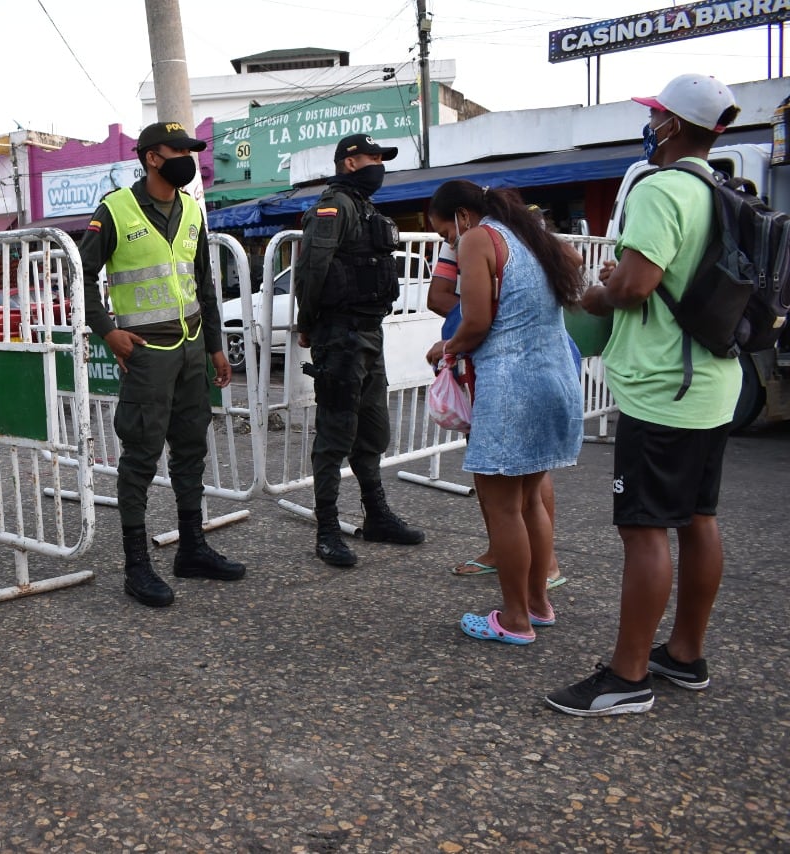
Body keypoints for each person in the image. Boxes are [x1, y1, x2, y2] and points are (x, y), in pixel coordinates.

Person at [547, 74, 743, 715]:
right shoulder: (721, 191)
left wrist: (597, 293)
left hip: (664, 388)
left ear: (673, 125)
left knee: (645, 528)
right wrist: (626, 276)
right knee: (698, 518)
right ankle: (684, 654)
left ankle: (627, 678)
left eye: (657, 115)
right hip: (712, 380)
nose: (651, 124)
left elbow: (633, 287)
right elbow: (665, 277)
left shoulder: (661, 188)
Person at [78, 121, 246, 608]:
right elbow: (80, 276)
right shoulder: (116, 209)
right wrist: (107, 331)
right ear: (152, 157)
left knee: (191, 450)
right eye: (179, 151)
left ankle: (192, 548)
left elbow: (202, 282)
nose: (188, 159)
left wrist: (215, 346)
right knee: (140, 457)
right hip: (147, 352)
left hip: (192, 347)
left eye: (192, 151)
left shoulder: (192, 208)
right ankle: (136, 566)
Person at [423, 180, 585, 645]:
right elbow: (574, 260)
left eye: (445, 233)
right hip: (557, 378)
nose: (450, 242)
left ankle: (514, 620)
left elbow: (476, 321)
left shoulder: (478, 238)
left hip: (511, 388)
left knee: (503, 509)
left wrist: (447, 347)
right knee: (531, 501)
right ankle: (538, 605)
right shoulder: (529, 233)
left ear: (462, 215)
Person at [293, 134, 425, 568]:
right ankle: (327, 529)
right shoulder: (334, 206)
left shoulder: (364, 206)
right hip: (341, 335)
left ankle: (376, 515)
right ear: (350, 163)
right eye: (373, 157)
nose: (379, 165)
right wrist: (308, 324)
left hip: (369, 332)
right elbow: (312, 268)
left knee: (372, 432)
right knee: (335, 435)